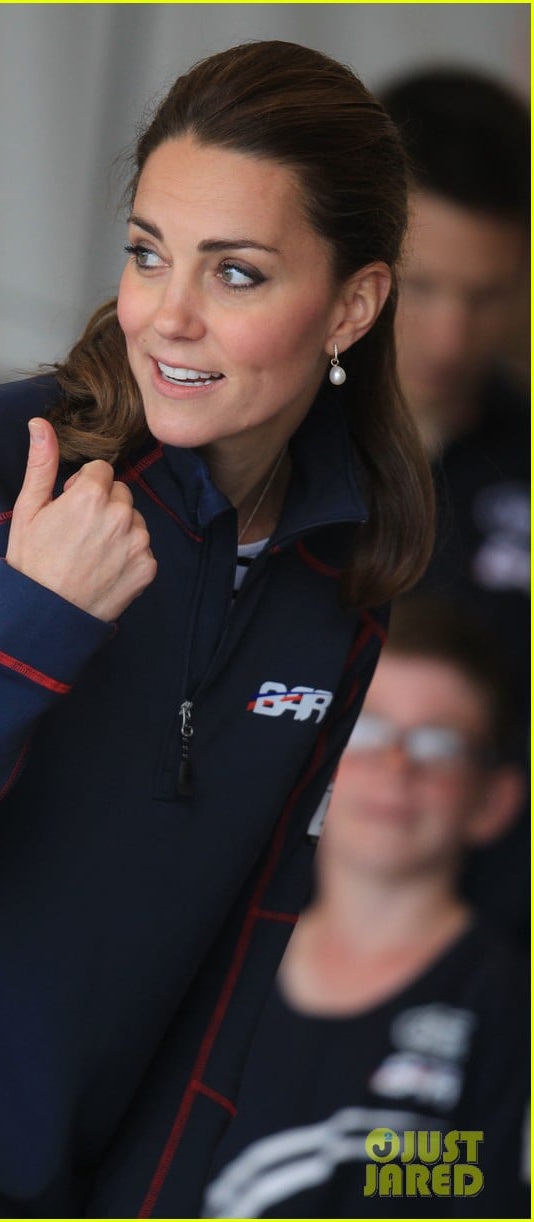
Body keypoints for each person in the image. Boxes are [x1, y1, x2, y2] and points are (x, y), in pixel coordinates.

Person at [0, 41, 433, 1219]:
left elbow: (238, 954)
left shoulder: (342, 570)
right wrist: (23, 639)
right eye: (149, 254)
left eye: (239, 274)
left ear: (351, 305)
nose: (170, 318)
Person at [202, 599, 528, 1219]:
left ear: (495, 799)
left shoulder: (512, 1009)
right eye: (369, 730)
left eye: (440, 743)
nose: (397, 766)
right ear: (315, 760)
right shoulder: (221, 970)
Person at [381, 69, 530, 946]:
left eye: (484, 298)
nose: (449, 338)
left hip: (486, 945)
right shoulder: (257, 447)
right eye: (423, 287)